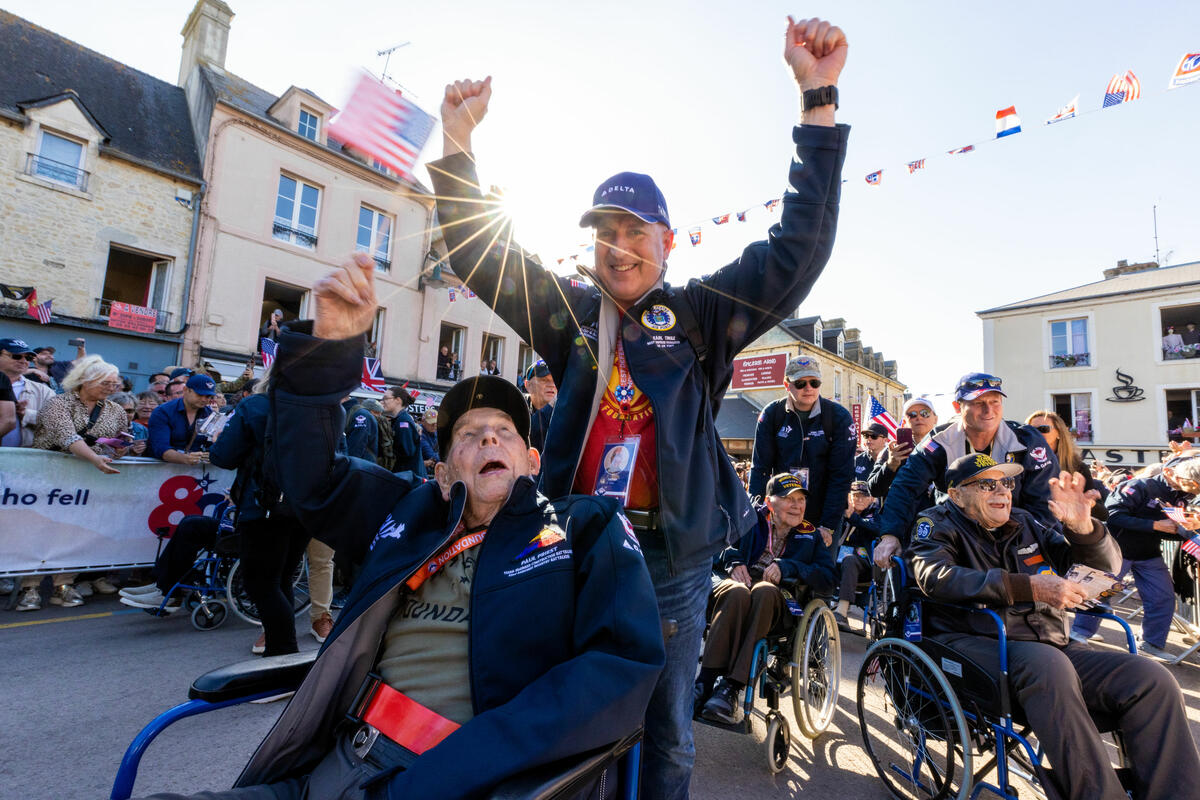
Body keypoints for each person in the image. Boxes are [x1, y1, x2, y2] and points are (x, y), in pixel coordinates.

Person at [428, 16, 848, 795]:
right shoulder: (571, 313)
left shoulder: (702, 315)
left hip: (668, 561)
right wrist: (457, 141)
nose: (616, 245)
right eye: (603, 232)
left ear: (668, 240)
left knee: (666, 731)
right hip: (573, 540)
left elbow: (800, 248)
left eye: (633, 231)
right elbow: (475, 253)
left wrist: (816, 99)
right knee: (561, 707)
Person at [130, 266, 666, 799]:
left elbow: (618, 670)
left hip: (460, 782)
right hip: (333, 766)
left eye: (504, 432)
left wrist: (441, 777)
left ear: (531, 462)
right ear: (443, 471)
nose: (487, 441)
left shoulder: (583, 526)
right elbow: (312, 482)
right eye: (468, 435)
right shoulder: (409, 511)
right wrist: (328, 350)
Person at [909, 453, 1200, 800]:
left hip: (1047, 642)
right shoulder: (935, 522)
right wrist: (1026, 587)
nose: (1001, 491)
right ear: (956, 495)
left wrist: (1084, 531)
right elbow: (935, 576)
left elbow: (1101, 570)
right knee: (1049, 665)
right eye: (987, 484)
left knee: (1151, 678)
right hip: (973, 640)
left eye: (1006, 482)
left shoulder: (1025, 522)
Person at [874, 372, 1058, 568]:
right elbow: (905, 488)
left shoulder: (1027, 440)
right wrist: (890, 535)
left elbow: (1044, 502)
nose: (988, 410)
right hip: (958, 539)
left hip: (1016, 538)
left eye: (995, 402)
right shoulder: (939, 440)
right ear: (957, 407)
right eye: (978, 403)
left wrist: (1026, 548)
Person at [696, 472, 835, 723]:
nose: (797, 505)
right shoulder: (747, 518)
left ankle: (732, 687)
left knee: (764, 591)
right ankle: (704, 683)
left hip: (777, 602)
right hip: (735, 588)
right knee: (737, 592)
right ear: (770, 503)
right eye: (788, 499)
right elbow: (716, 545)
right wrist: (734, 561)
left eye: (801, 499)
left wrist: (789, 567)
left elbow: (828, 578)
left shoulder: (810, 534)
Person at [209, 378, 310, 656]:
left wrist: (220, 440)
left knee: (261, 583)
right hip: (305, 508)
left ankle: (282, 658)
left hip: (263, 505)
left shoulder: (255, 405)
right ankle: (283, 655)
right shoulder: (322, 409)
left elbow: (223, 456)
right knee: (281, 580)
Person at [19, 356, 128, 612]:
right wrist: (95, 458)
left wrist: (123, 449)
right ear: (85, 380)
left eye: (114, 384)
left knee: (72, 530)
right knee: (40, 528)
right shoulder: (57, 403)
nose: (111, 388)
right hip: (48, 475)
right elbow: (67, 436)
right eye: (105, 382)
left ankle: (64, 584)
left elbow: (122, 437)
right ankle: (30, 587)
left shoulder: (116, 410)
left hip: (85, 478)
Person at [1069, 453, 1200, 657]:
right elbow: (1113, 516)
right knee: (1098, 593)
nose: (1192, 488)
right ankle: (1078, 634)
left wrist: (1182, 529)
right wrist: (1155, 525)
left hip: (1149, 553)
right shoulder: (1140, 486)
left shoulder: (1185, 494)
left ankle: (1151, 643)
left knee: (1163, 597)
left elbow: (1175, 528)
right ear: (1168, 472)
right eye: (1188, 481)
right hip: (1117, 550)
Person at [749, 356, 856, 543]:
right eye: (800, 383)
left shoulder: (839, 417)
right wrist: (757, 514)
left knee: (818, 570)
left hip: (823, 512)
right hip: (781, 513)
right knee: (773, 569)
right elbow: (760, 469)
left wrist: (827, 526)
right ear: (786, 384)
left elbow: (841, 476)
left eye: (814, 382)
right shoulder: (771, 414)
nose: (809, 388)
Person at [1025, 409, 1105, 520]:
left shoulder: (1076, 467)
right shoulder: (1022, 464)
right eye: (1030, 430)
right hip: (1033, 528)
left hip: (1064, 531)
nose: (1036, 434)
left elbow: (1103, 514)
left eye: (1043, 429)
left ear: (1059, 433)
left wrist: (1087, 502)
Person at [867, 396, 938, 502]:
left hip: (936, 515)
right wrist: (890, 465)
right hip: (899, 514)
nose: (919, 418)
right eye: (912, 415)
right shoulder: (892, 451)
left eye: (925, 413)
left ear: (935, 419)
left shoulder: (945, 447)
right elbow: (874, 490)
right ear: (904, 421)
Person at [833, 480, 880, 629]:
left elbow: (876, 528)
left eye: (864, 496)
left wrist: (853, 518)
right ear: (850, 497)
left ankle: (841, 612)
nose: (859, 499)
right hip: (838, 562)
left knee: (850, 560)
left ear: (871, 498)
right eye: (856, 496)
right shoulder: (842, 513)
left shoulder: (875, 514)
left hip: (865, 565)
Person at [148, 374, 214, 464]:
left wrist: (211, 454)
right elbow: (160, 448)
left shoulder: (210, 415)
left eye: (208, 396)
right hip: (160, 470)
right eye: (199, 394)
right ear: (186, 390)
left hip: (195, 471)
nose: (203, 399)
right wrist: (186, 458)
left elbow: (213, 445)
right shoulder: (163, 411)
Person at [0, 337, 54, 447]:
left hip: (25, 460)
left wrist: (27, 414)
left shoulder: (43, 391)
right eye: (16, 356)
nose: (23, 361)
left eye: (28, 358)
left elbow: (58, 423)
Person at [382, 385, 426, 477]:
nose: (382, 401)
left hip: (408, 477)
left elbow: (406, 451)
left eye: (386, 398)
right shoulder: (400, 419)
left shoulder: (403, 421)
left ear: (398, 400)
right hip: (406, 475)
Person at [524, 359, 556, 453]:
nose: (551, 385)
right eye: (544, 380)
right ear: (528, 385)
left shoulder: (565, 411)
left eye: (555, 380)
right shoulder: (519, 407)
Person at [419, 407, 439, 473]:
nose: (434, 425)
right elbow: (430, 455)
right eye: (431, 423)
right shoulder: (419, 433)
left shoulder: (435, 431)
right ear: (423, 421)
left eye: (436, 423)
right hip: (423, 471)